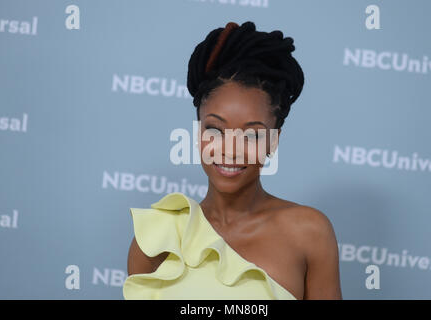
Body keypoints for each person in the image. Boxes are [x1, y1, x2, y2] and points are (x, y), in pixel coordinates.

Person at [123, 21, 342, 300]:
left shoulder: (309, 232)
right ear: (198, 132)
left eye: (251, 135)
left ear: (273, 142)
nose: (231, 149)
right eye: (215, 129)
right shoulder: (156, 238)